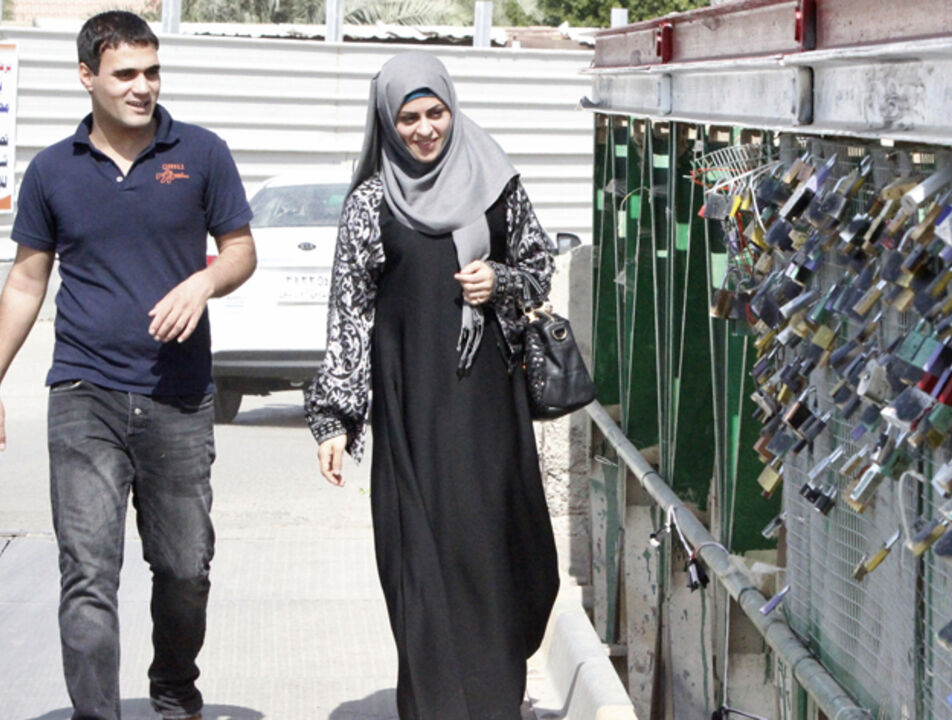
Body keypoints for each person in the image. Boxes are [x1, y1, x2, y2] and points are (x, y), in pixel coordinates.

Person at [0, 11, 255, 720]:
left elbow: (240, 249)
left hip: (177, 396)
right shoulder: (52, 170)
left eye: (152, 71)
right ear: (88, 77)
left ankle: (174, 689)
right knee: (87, 572)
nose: (143, 87)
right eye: (125, 74)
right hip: (83, 394)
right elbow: (26, 282)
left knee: (183, 569)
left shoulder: (200, 154)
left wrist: (203, 282)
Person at [305, 51, 559, 719]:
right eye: (409, 117)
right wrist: (334, 419)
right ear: (388, 121)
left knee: (497, 559)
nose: (424, 129)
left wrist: (498, 280)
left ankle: (497, 701)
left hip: (487, 413)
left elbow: (538, 268)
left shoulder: (497, 184)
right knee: (420, 569)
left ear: (453, 108)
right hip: (411, 412)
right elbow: (349, 314)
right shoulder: (370, 203)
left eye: (435, 113)